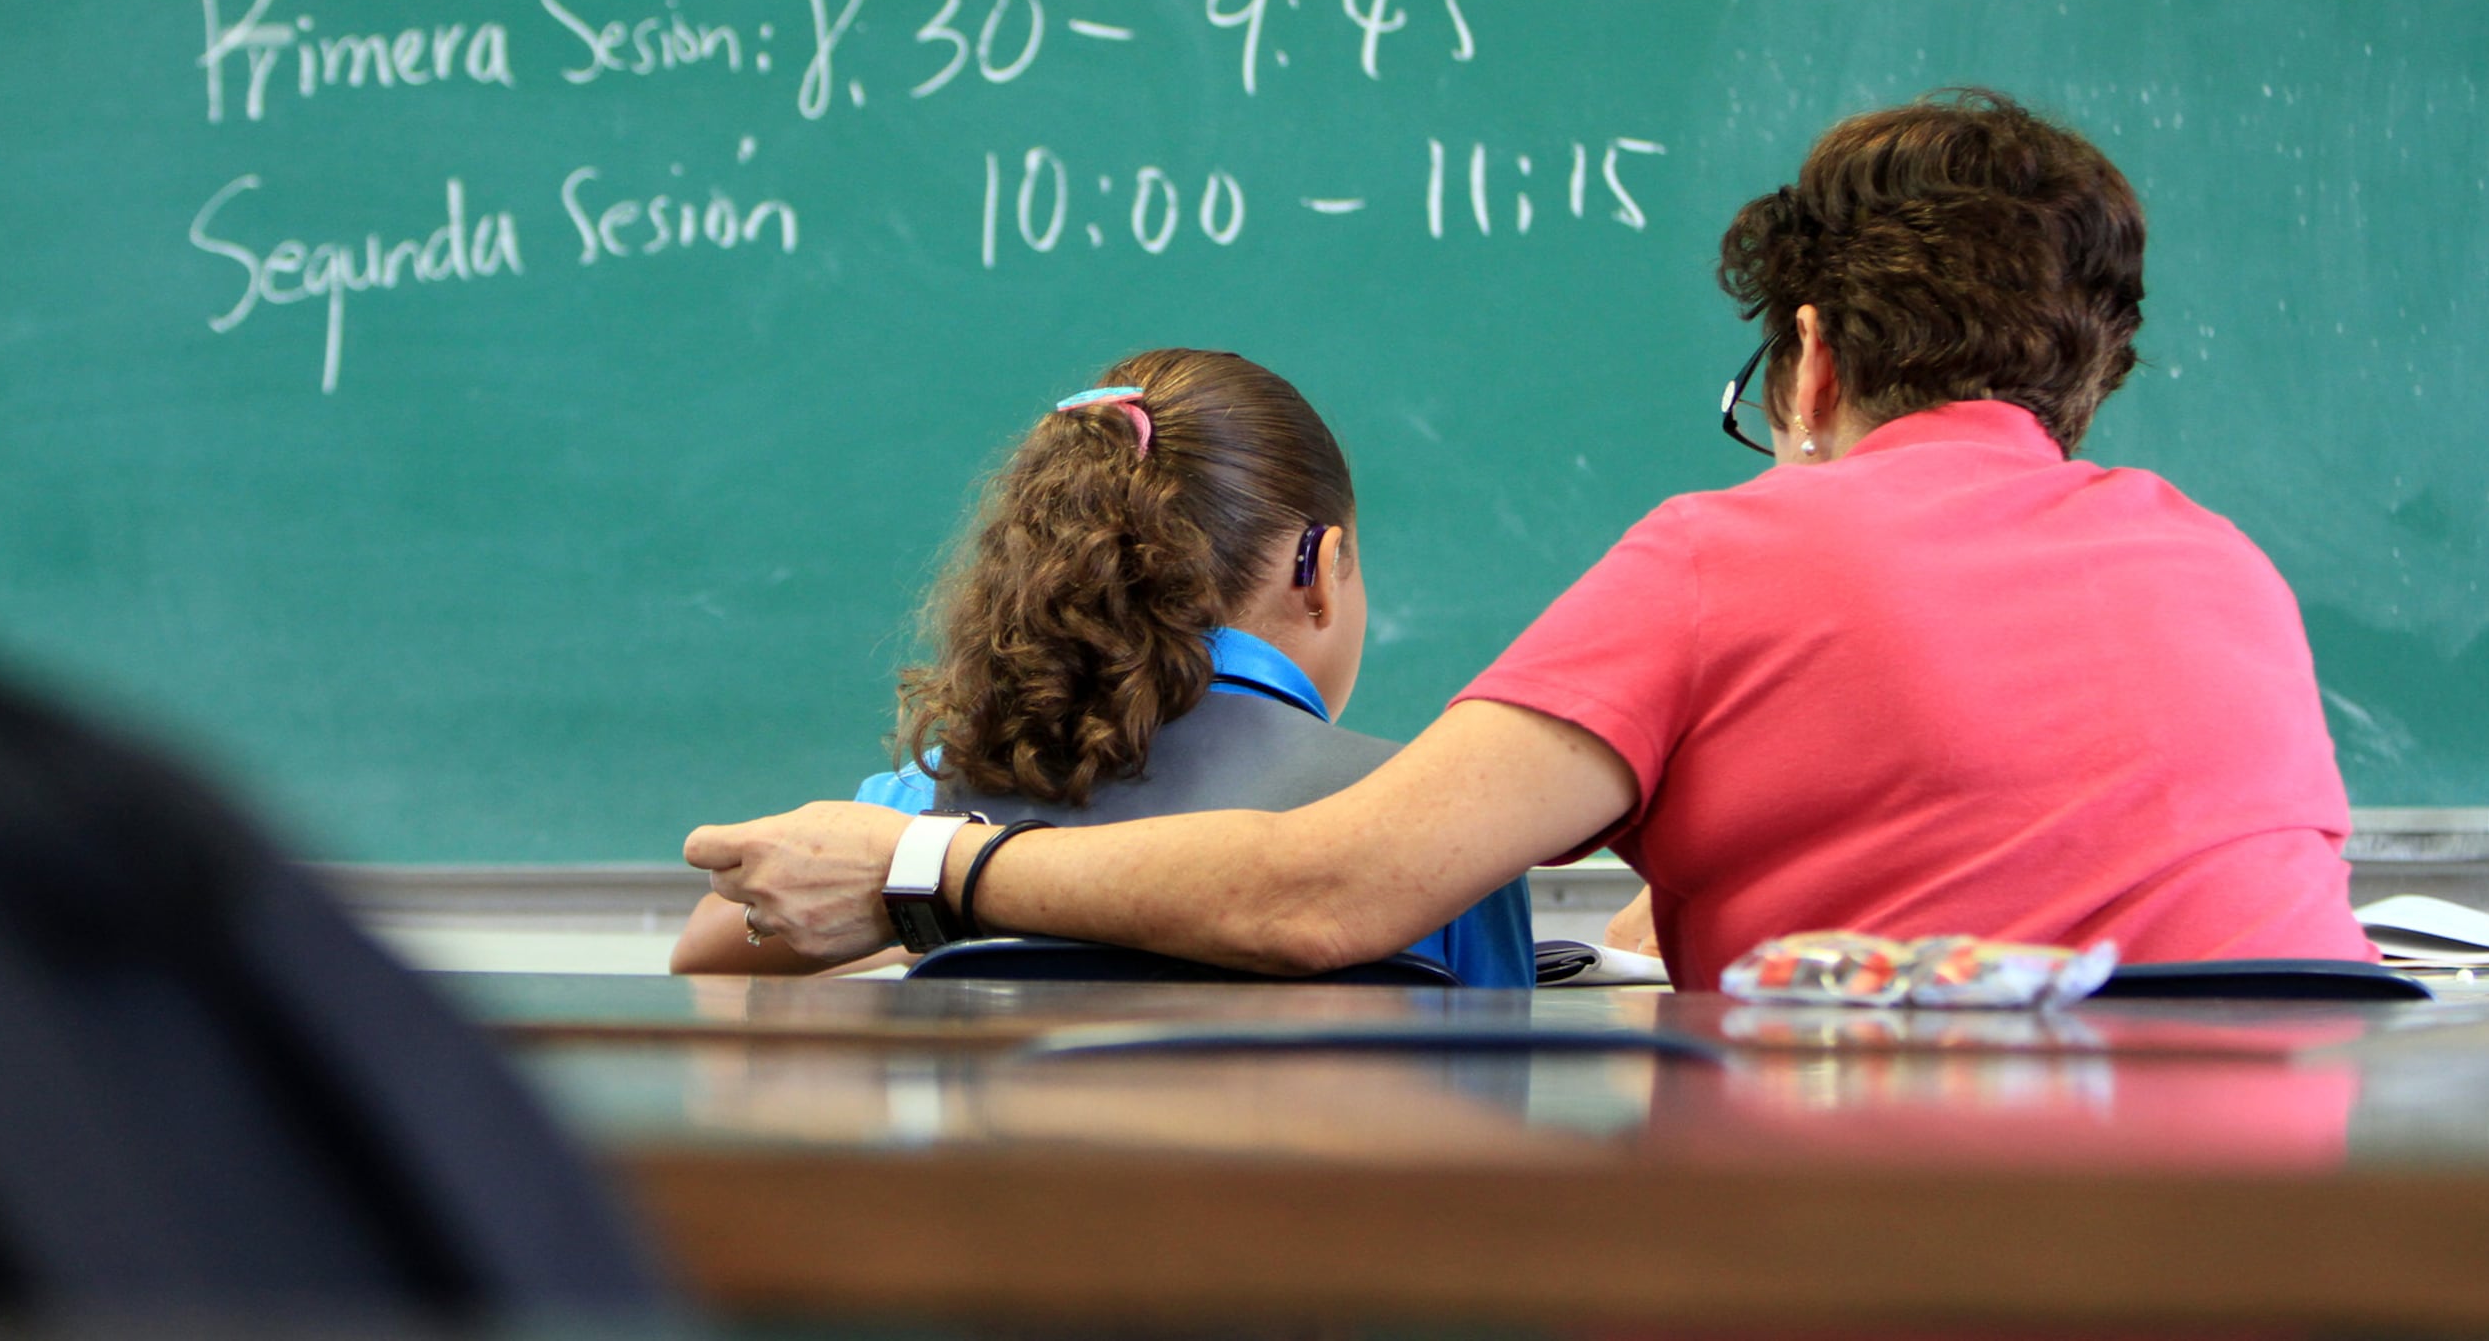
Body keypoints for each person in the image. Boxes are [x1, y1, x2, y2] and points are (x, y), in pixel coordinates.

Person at [686, 91, 2374, 987]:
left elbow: (1329, 892)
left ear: (1811, 359)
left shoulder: (1737, 557)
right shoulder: (2233, 571)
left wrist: (928, 865)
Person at [671, 346, 1536, 985]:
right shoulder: (1433, 823)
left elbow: (707, 954)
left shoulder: (923, 815)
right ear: (1319, 568)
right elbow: (1501, 1102)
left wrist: (922, 897)